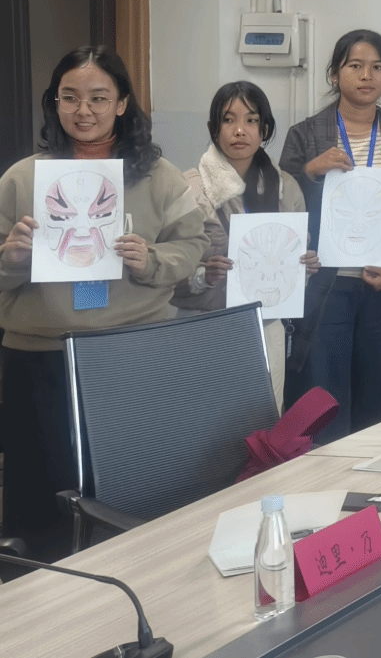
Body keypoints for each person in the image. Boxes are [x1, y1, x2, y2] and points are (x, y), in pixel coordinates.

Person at [0, 47, 208, 560]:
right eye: (69, 97)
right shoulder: (23, 179)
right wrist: (13, 258)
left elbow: (192, 244)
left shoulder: (159, 176)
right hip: (40, 355)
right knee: (41, 489)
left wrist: (151, 259)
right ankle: (39, 587)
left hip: (130, 354)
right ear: (54, 102)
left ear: (121, 103)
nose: (83, 110)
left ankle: (132, 577)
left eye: (98, 98)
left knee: (130, 483)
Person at [280, 28, 381, 441]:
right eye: (355, 66)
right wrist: (309, 172)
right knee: (321, 410)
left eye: (378, 67)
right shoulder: (304, 134)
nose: (367, 75)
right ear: (334, 74)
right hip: (324, 287)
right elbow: (281, 206)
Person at [173, 81, 319, 408]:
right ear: (214, 128)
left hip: (266, 326)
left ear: (264, 129)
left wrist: (304, 268)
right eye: (228, 120)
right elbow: (170, 269)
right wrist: (203, 275)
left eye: (251, 120)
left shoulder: (286, 187)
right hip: (204, 324)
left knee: (264, 420)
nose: (239, 130)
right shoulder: (188, 188)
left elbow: (293, 266)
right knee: (203, 419)